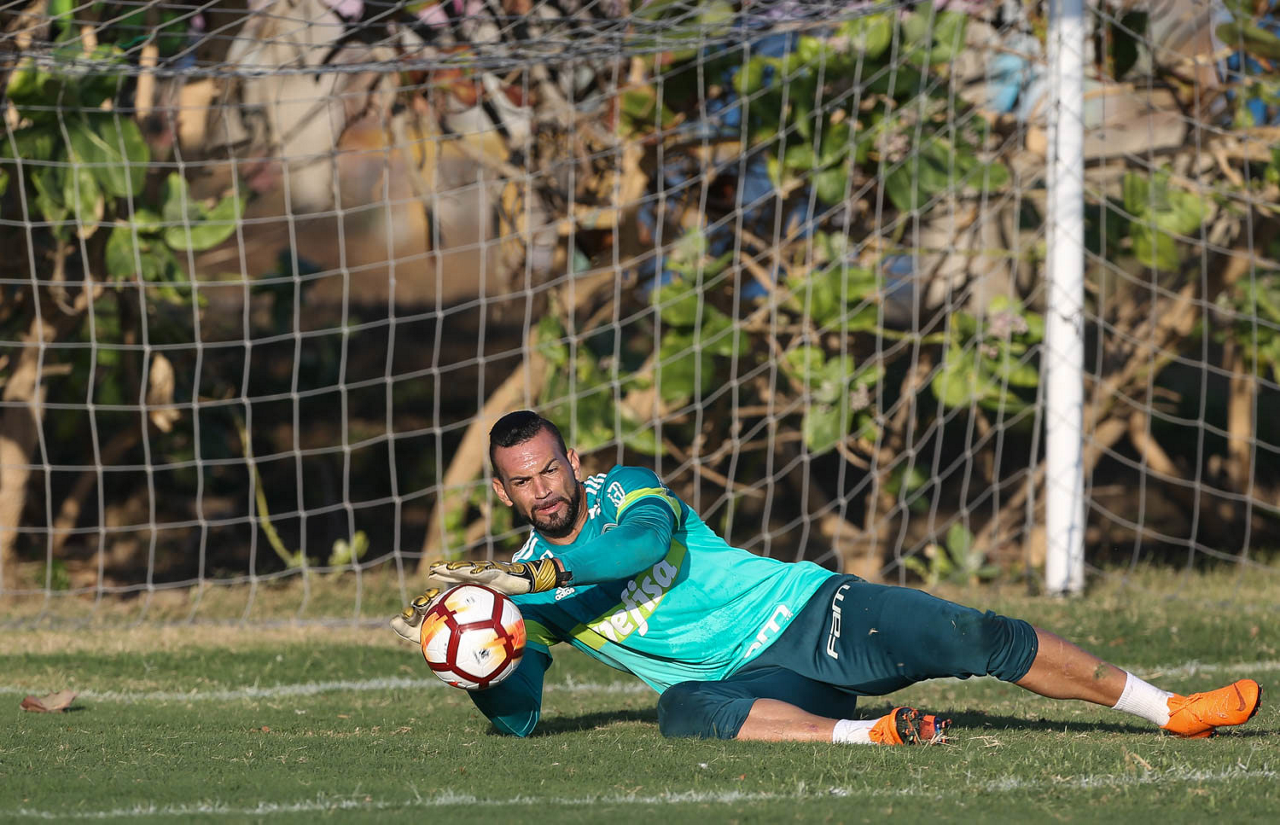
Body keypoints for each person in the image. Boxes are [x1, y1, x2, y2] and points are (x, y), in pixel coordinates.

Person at [391, 410, 1262, 745]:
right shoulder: (527, 596)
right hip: (754, 687)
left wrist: (540, 571)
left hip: (811, 614)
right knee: (680, 710)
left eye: (551, 468)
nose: (543, 488)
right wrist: (475, 663)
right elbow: (522, 717)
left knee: (972, 635)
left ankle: (1169, 709)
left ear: (574, 460)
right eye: (524, 481)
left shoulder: (627, 492)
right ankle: (868, 735)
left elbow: (636, 549)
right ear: (502, 490)